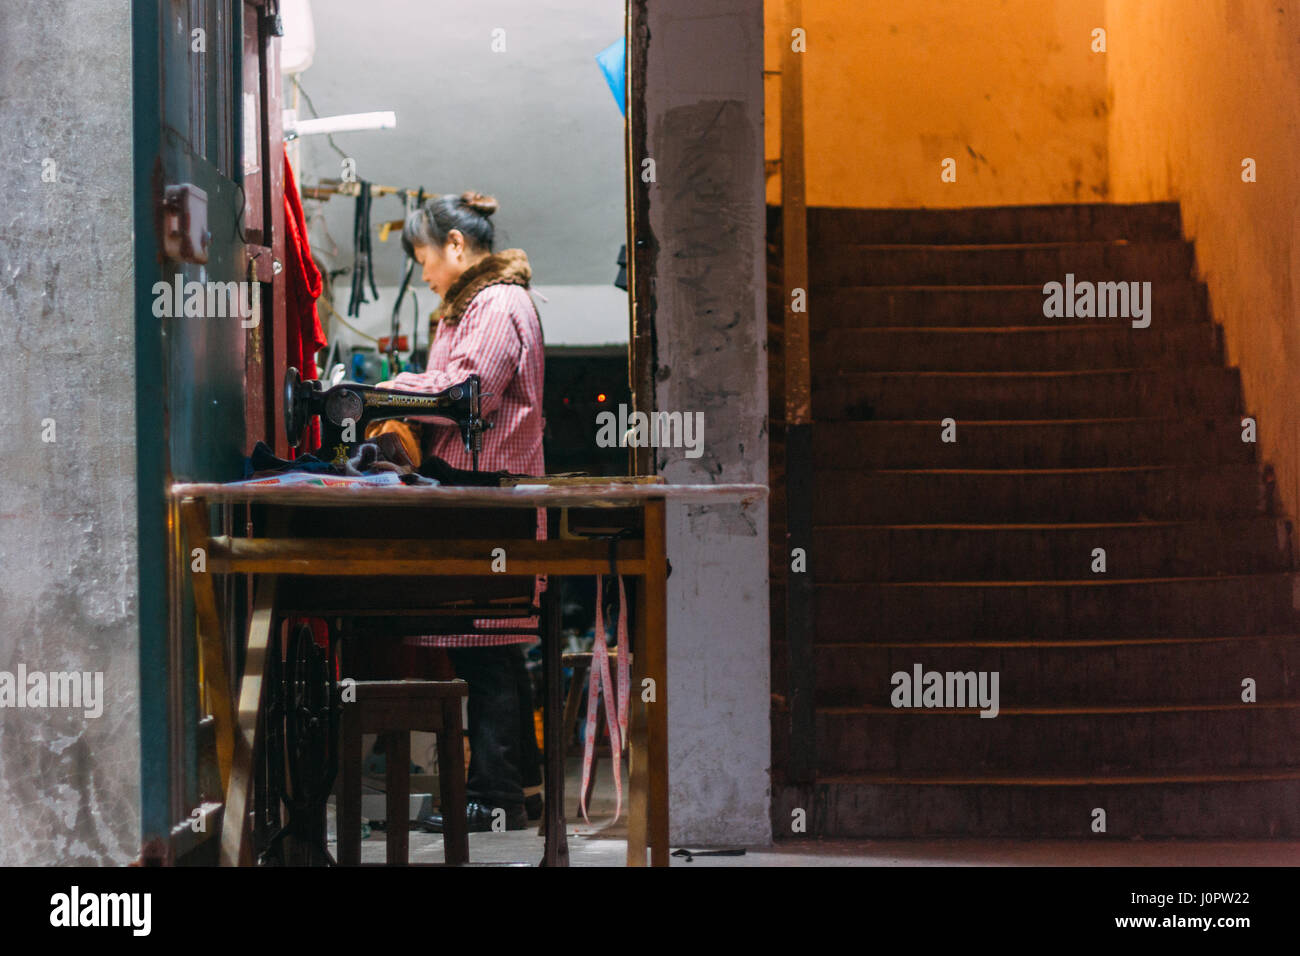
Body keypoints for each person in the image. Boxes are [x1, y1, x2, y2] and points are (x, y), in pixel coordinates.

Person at [376, 191, 545, 832]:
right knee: (496, 648)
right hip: (481, 499)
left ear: (454, 246)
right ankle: (518, 788)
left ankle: (492, 797)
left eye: (424, 258)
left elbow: (469, 391)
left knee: (484, 644)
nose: (422, 274)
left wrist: (380, 393)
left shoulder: (497, 304)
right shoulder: (473, 305)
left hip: (488, 501)